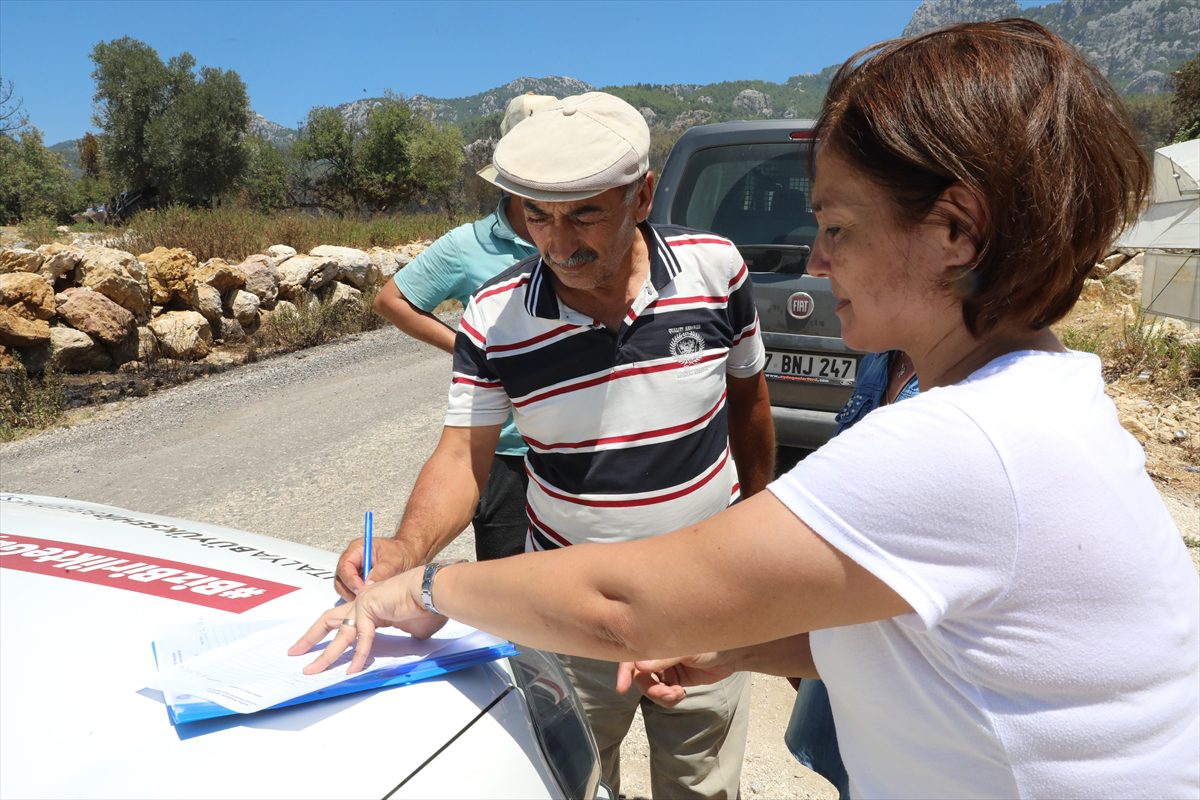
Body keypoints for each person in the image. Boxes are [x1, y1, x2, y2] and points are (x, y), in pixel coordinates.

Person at [294, 20, 1200, 799]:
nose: (812, 265)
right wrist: (747, 644)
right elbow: (929, 644)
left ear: (955, 232)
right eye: (537, 216)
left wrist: (425, 587)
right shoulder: (1044, 396)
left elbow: (622, 602)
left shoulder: (957, 445)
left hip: (648, 607)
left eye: (835, 227)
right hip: (622, 613)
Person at [331, 91, 776, 799]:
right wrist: (406, 551)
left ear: (643, 196)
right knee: (570, 780)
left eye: (584, 214)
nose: (559, 243)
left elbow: (748, 401)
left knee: (702, 787)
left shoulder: (716, 270)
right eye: (537, 215)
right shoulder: (493, 317)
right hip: (567, 612)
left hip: (704, 601)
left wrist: (760, 543)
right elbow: (462, 458)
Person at [365, 93, 558, 571]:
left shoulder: (584, 236)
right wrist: (464, 346)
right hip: (505, 452)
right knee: (510, 592)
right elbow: (393, 301)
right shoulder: (467, 245)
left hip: (576, 445)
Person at [787, 349, 918, 799]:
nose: (818, 274)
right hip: (853, 622)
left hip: (902, 639)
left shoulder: (963, 388)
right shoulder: (883, 359)